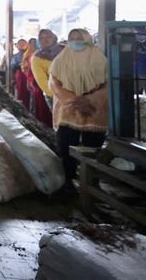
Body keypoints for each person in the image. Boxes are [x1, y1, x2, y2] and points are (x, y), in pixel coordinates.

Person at [49, 28, 108, 183]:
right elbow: (54, 83)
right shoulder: (61, 58)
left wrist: (89, 99)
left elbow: (108, 84)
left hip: (93, 109)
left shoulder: (99, 57)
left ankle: (91, 183)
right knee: (66, 147)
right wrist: (74, 100)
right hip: (68, 109)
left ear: (87, 39)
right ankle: (68, 181)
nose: (75, 41)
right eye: (72, 38)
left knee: (93, 148)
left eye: (79, 37)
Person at [11, 39, 29, 109]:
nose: (22, 46)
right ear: (17, 46)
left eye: (23, 44)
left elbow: (13, 67)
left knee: (26, 94)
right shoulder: (16, 56)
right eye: (20, 44)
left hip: (27, 76)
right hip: (20, 76)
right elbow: (13, 67)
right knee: (21, 93)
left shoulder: (31, 54)